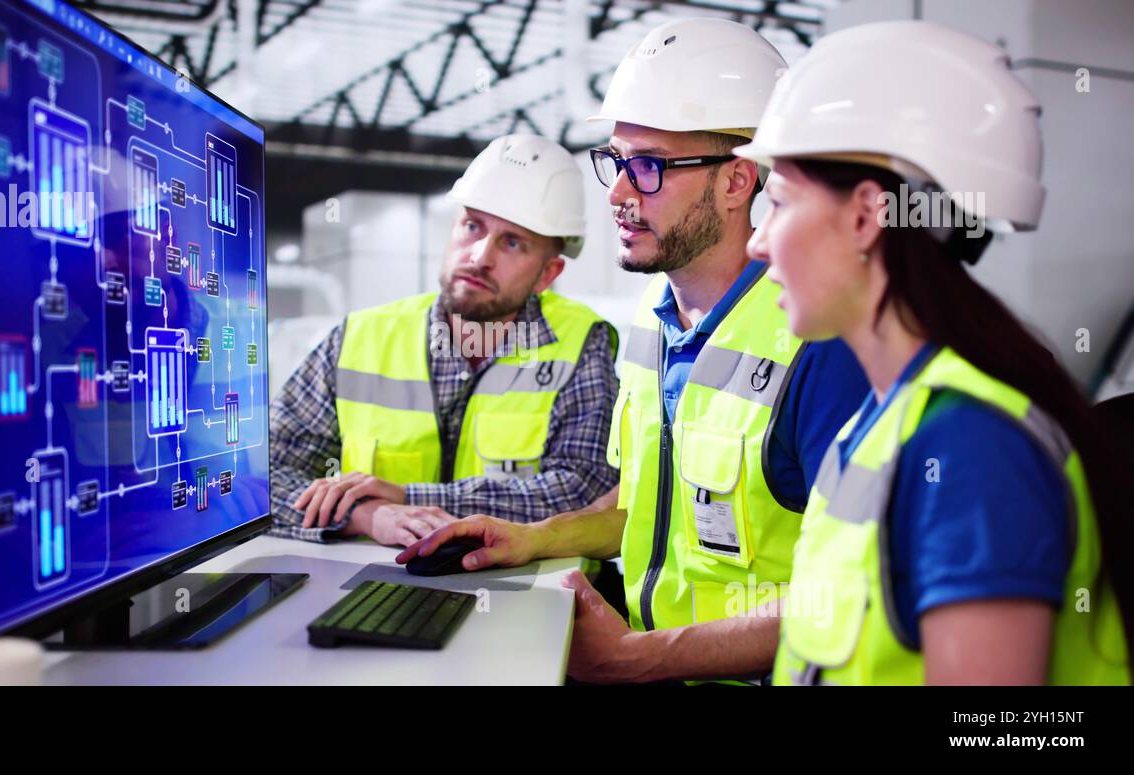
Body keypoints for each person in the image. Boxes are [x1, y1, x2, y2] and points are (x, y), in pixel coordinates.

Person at [399, 17, 870, 683]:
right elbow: (644, 509)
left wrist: (637, 659)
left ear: (737, 182)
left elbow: (857, 594)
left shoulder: (817, 346)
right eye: (616, 162)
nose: (618, 193)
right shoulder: (651, 332)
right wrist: (536, 539)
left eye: (647, 167)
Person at [733, 20, 1130, 684]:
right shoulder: (886, 416)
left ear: (866, 216)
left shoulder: (971, 448)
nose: (758, 242)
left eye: (777, 203)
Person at [268, 134, 620, 547]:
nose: (479, 256)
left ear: (547, 274)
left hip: (527, 590)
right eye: (473, 226)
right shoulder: (358, 338)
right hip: (372, 585)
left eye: (512, 242)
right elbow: (259, 476)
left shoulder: (579, 343)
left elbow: (584, 490)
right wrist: (365, 515)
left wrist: (411, 499)